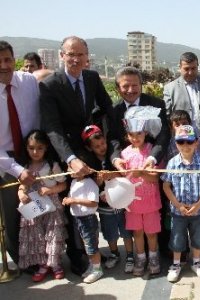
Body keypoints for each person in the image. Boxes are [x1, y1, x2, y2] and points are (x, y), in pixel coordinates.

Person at [39, 36, 117, 276]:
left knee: (92, 204)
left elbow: (106, 107)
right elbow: (52, 126)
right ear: (62, 55)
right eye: (70, 54)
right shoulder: (50, 84)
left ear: (87, 56)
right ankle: (77, 257)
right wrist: (70, 157)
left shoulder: (92, 77)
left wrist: (101, 136)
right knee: (72, 208)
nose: (75, 59)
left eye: (80, 54)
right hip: (66, 155)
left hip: (90, 151)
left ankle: (94, 250)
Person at [0, 40, 39, 270]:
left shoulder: (29, 82)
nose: (3, 66)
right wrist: (17, 170)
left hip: (34, 153)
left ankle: (42, 255)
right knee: (13, 213)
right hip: (5, 160)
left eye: (7, 60)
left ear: (14, 60)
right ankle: (22, 261)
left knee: (37, 208)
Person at [162, 125, 200, 282]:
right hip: (178, 212)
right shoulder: (172, 163)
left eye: (189, 142)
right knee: (177, 238)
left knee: (198, 238)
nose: (185, 146)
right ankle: (176, 264)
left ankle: (197, 263)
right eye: (181, 142)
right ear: (175, 143)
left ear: (196, 142)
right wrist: (177, 204)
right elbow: (166, 185)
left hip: (197, 211)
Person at [81, 125, 134, 273]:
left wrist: (111, 175)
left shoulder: (115, 157)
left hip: (122, 205)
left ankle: (130, 255)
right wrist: (98, 181)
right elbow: (92, 186)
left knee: (126, 231)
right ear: (90, 148)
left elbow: (124, 175)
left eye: (103, 143)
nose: (101, 147)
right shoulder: (91, 164)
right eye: (97, 146)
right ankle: (114, 254)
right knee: (109, 232)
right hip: (104, 208)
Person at [17, 130, 67, 282]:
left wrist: (50, 190)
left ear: (46, 148)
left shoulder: (52, 165)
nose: (35, 152)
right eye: (31, 148)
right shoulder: (24, 168)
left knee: (52, 234)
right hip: (33, 206)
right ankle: (43, 265)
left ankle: (56, 264)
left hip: (51, 206)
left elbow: (63, 184)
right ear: (26, 148)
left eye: (39, 148)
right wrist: (21, 194)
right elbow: (21, 186)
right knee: (37, 236)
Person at [120, 106, 163, 277]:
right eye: (131, 134)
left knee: (151, 232)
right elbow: (124, 179)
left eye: (139, 133)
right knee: (137, 231)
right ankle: (140, 257)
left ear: (145, 132)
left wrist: (143, 173)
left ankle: (153, 257)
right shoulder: (124, 154)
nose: (135, 137)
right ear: (127, 135)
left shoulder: (152, 150)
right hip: (132, 203)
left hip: (151, 202)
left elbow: (156, 178)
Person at [111, 66, 169, 163]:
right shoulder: (113, 110)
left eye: (134, 85)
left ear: (141, 85)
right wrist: (116, 159)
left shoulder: (156, 105)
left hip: (152, 164)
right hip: (124, 163)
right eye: (125, 86)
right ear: (118, 88)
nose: (130, 90)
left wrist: (153, 158)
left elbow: (163, 134)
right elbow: (112, 139)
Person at [164, 52, 200, 152]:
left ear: (198, 66)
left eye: (193, 68)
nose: (190, 72)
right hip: (183, 141)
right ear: (180, 67)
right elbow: (167, 116)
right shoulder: (170, 89)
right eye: (186, 69)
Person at [62, 173, 102, 284]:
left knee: (91, 245)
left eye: (72, 167)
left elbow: (93, 203)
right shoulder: (74, 182)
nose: (68, 169)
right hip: (78, 219)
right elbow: (71, 197)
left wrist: (74, 200)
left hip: (88, 219)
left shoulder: (89, 183)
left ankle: (97, 269)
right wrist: (67, 199)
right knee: (86, 244)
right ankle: (92, 265)